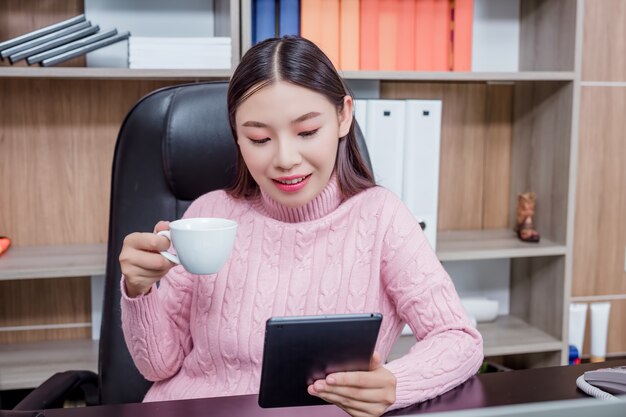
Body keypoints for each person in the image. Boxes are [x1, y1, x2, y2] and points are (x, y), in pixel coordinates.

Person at [119, 36, 483, 417]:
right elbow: (157, 367)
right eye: (259, 138)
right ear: (237, 135)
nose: (285, 159)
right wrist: (139, 290)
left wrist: (396, 384)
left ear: (343, 117)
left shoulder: (381, 218)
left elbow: (458, 339)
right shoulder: (207, 215)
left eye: (307, 132)